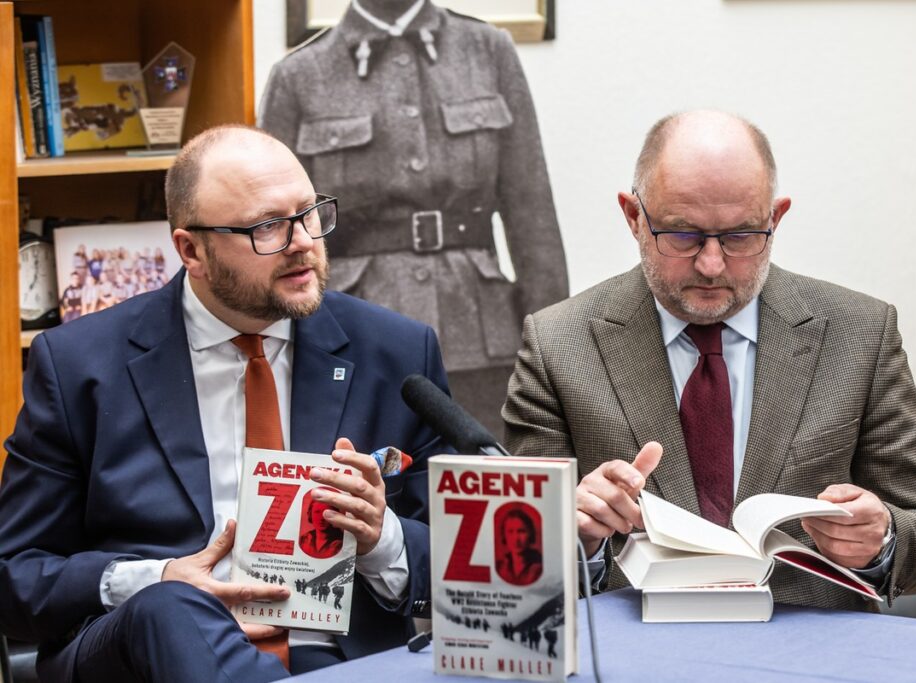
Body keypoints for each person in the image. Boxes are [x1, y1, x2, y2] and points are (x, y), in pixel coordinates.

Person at [0, 125, 451, 682]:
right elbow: (15, 576)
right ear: (192, 250)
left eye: (310, 213)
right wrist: (157, 577)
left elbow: (461, 566)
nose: (303, 241)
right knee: (172, 609)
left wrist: (381, 536)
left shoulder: (397, 352)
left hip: (332, 658)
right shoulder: (80, 366)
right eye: (267, 227)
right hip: (145, 654)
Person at [503, 110, 916, 611]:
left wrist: (881, 540)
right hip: (638, 658)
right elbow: (517, 567)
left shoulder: (859, 334)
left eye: (741, 236)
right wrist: (577, 536)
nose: (711, 264)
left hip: (811, 658)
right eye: (682, 234)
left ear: (775, 218)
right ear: (633, 217)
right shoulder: (558, 345)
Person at [259, 0, 569, 438]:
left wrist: (553, 356)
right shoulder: (299, 74)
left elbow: (531, 212)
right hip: (355, 341)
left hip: (481, 341)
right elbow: (277, 230)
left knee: (491, 491)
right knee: (365, 492)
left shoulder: (487, 51)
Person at [495, 507, 542, 586]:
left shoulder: (541, 566)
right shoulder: (499, 567)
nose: (516, 539)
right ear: (504, 535)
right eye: (510, 532)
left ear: (530, 533)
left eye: (521, 531)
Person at [299, 493, 346, 559]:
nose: (321, 518)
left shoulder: (342, 542)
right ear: (310, 514)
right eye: (317, 512)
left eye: (326, 512)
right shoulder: (304, 539)